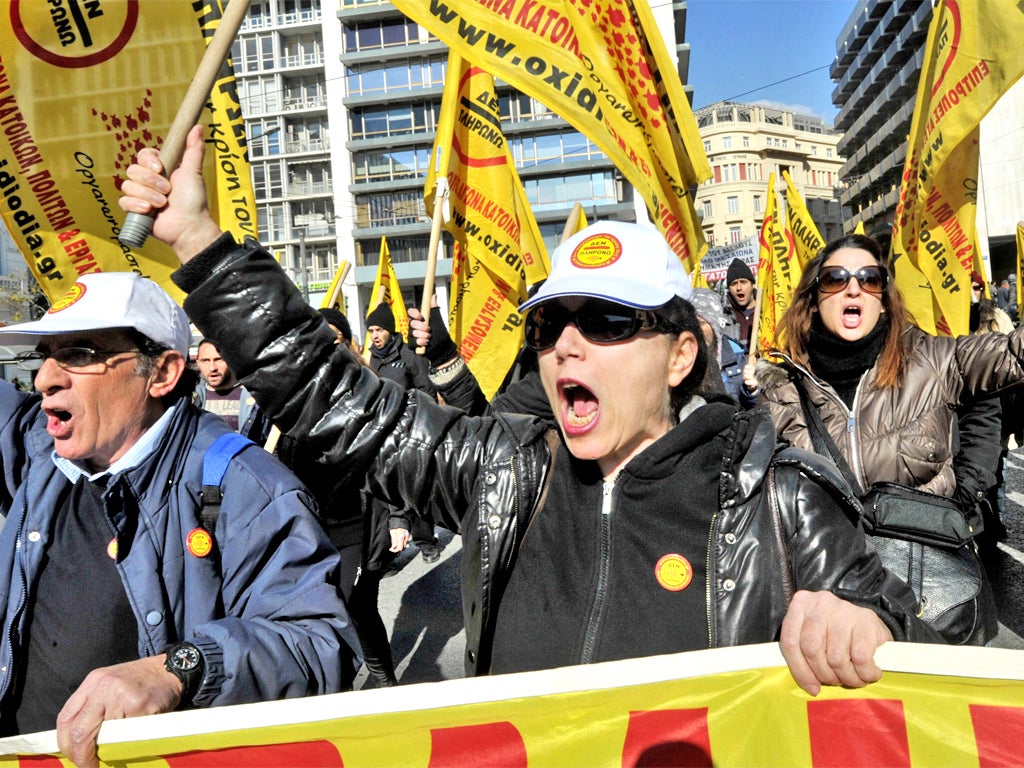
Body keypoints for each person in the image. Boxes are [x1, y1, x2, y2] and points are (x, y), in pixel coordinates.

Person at [120, 128, 942, 696]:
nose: (568, 346)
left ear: (681, 354)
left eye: (611, 321)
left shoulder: (779, 495)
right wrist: (198, 242)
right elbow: (338, 403)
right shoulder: (504, 470)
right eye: (551, 323)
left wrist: (863, 620)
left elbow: (918, 661)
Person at [0, 272, 360, 766]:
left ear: (163, 373)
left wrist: (178, 668)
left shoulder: (246, 484)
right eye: (44, 355)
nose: (45, 379)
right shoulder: (41, 451)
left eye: (80, 355)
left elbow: (320, 645)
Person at [745, 233, 1024, 642]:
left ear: (883, 295)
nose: (853, 287)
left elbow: (1014, 355)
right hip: (830, 614)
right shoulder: (779, 390)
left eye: (869, 278)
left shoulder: (934, 360)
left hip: (934, 606)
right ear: (814, 295)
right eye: (835, 278)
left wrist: (961, 498)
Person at [364, 301, 442, 564]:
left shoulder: (409, 356)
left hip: (410, 431)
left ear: (389, 330)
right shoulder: (370, 358)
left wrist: (425, 425)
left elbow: (427, 391)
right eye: (371, 330)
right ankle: (389, 547)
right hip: (380, 434)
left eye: (379, 330)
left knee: (415, 486)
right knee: (385, 490)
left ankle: (425, 541)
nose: (375, 335)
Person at [194, 338, 270, 441]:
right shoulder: (191, 397)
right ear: (198, 362)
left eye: (218, 359)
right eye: (205, 361)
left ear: (231, 359)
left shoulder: (255, 395)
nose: (212, 368)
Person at [722, 258, 756, 352]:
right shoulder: (722, 317)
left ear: (752, 284)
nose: (739, 288)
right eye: (734, 284)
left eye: (743, 282)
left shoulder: (767, 311)